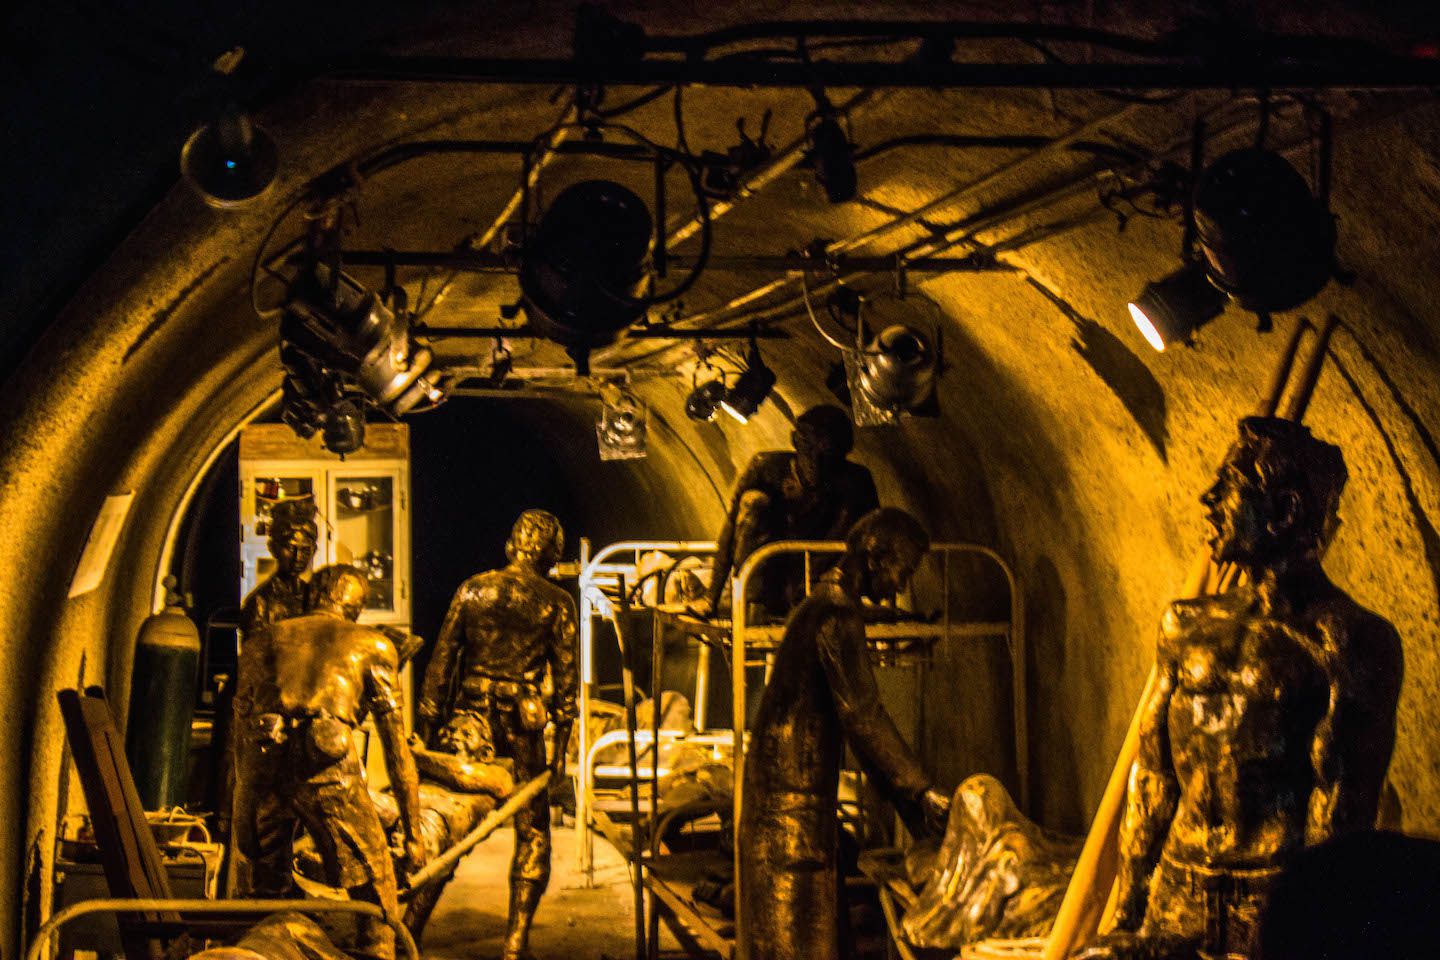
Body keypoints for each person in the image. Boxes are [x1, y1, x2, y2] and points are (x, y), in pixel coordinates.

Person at [1083, 417, 1404, 960]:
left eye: (1229, 485)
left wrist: (1314, 934)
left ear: (1284, 511)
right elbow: (1154, 776)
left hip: (1273, 900)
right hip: (1178, 888)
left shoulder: (1348, 642)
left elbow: (1340, 809)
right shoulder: (1183, 626)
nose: (1208, 498)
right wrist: (1130, 909)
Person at [738, 507, 950, 960]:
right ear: (875, 558)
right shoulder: (837, 616)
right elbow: (864, 717)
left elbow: (858, 726)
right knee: (797, 944)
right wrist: (924, 792)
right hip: (790, 813)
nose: (902, 585)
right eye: (903, 570)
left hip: (791, 805)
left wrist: (907, 803)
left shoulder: (819, 605)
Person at [231, 565, 426, 960]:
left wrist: (242, 809)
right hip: (328, 772)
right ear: (357, 606)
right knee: (376, 886)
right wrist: (413, 832)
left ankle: (262, 949)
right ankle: (377, 951)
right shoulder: (373, 645)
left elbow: (239, 736)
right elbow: (396, 751)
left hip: (263, 767)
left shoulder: (263, 640)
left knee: (266, 890)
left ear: (311, 597)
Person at [416, 509, 579, 960]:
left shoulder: (473, 589)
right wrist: (560, 754)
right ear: (551, 555)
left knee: (446, 822)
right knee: (534, 832)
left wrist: (426, 737)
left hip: (468, 721)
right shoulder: (555, 602)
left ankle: (409, 930)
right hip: (522, 729)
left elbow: (439, 666)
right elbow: (567, 684)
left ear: (512, 545)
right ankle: (515, 942)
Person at [699, 404, 879, 620]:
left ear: (842, 453)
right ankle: (758, 605)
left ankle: (815, 599)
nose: (817, 463)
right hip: (775, 576)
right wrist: (711, 598)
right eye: (810, 452)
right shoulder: (767, 469)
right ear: (797, 444)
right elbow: (731, 529)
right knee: (754, 502)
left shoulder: (854, 480)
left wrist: (871, 592)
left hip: (825, 577)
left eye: (827, 455)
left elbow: (875, 536)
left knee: (859, 515)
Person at [240, 496, 318, 638]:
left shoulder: (315, 597)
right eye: (290, 548)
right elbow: (255, 656)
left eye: (305, 550)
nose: (298, 557)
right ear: (273, 548)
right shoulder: (260, 603)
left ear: (314, 550)